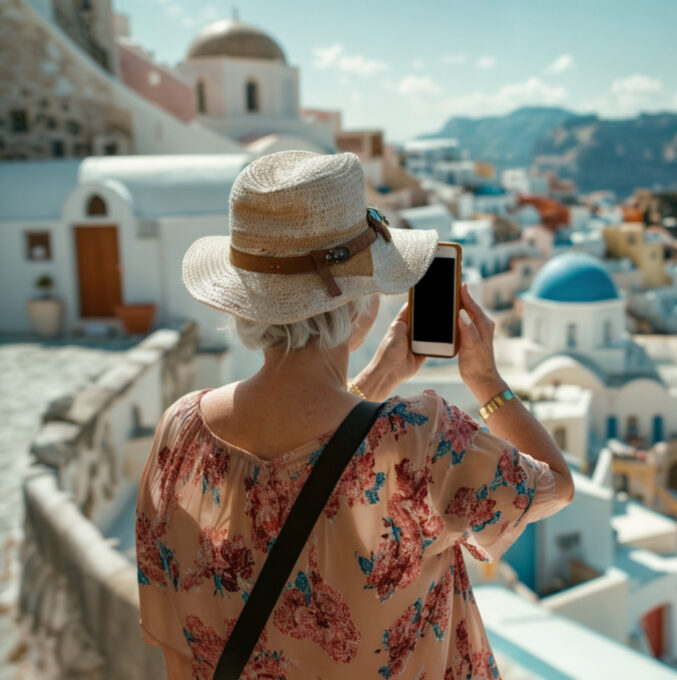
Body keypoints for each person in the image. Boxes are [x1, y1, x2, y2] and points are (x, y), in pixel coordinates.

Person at [135, 150, 574, 679]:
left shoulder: (180, 431)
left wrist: (379, 378)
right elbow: (555, 486)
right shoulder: (419, 438)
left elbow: (173, 633)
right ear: (357, 300)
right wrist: (485, 380)